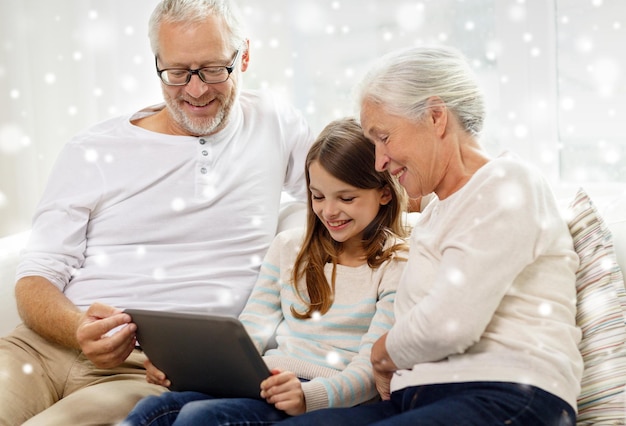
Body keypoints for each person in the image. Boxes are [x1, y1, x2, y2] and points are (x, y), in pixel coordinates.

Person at [0, 0, 314, 424]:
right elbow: (36, 276)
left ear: (245, 56)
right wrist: (76, 328)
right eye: (178, 72)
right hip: (38, 349)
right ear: (157, 64)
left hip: (147, 371)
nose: (196, 90)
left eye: (214, 69)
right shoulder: (92, 149)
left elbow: (357, 188)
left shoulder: (276, 124)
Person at [278, 46, 584, 425]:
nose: (379, 162)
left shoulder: (507, 184)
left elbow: (449, 325)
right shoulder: (439, 211)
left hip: (505, 392)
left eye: (384, 137)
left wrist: (381, 354)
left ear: (436, 117)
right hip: (421, 399)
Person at [122, 117, 409, 425]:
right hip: (265, 380)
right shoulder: (288, 247)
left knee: (200, 417)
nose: (328, 211)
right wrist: (182, 369)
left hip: (325, 393)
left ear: (384, 193)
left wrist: (307, 397)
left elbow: (371, 367)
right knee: (151, 411)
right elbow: (250, 331)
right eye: (318, 196)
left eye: (346, 198)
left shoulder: (398, 264)